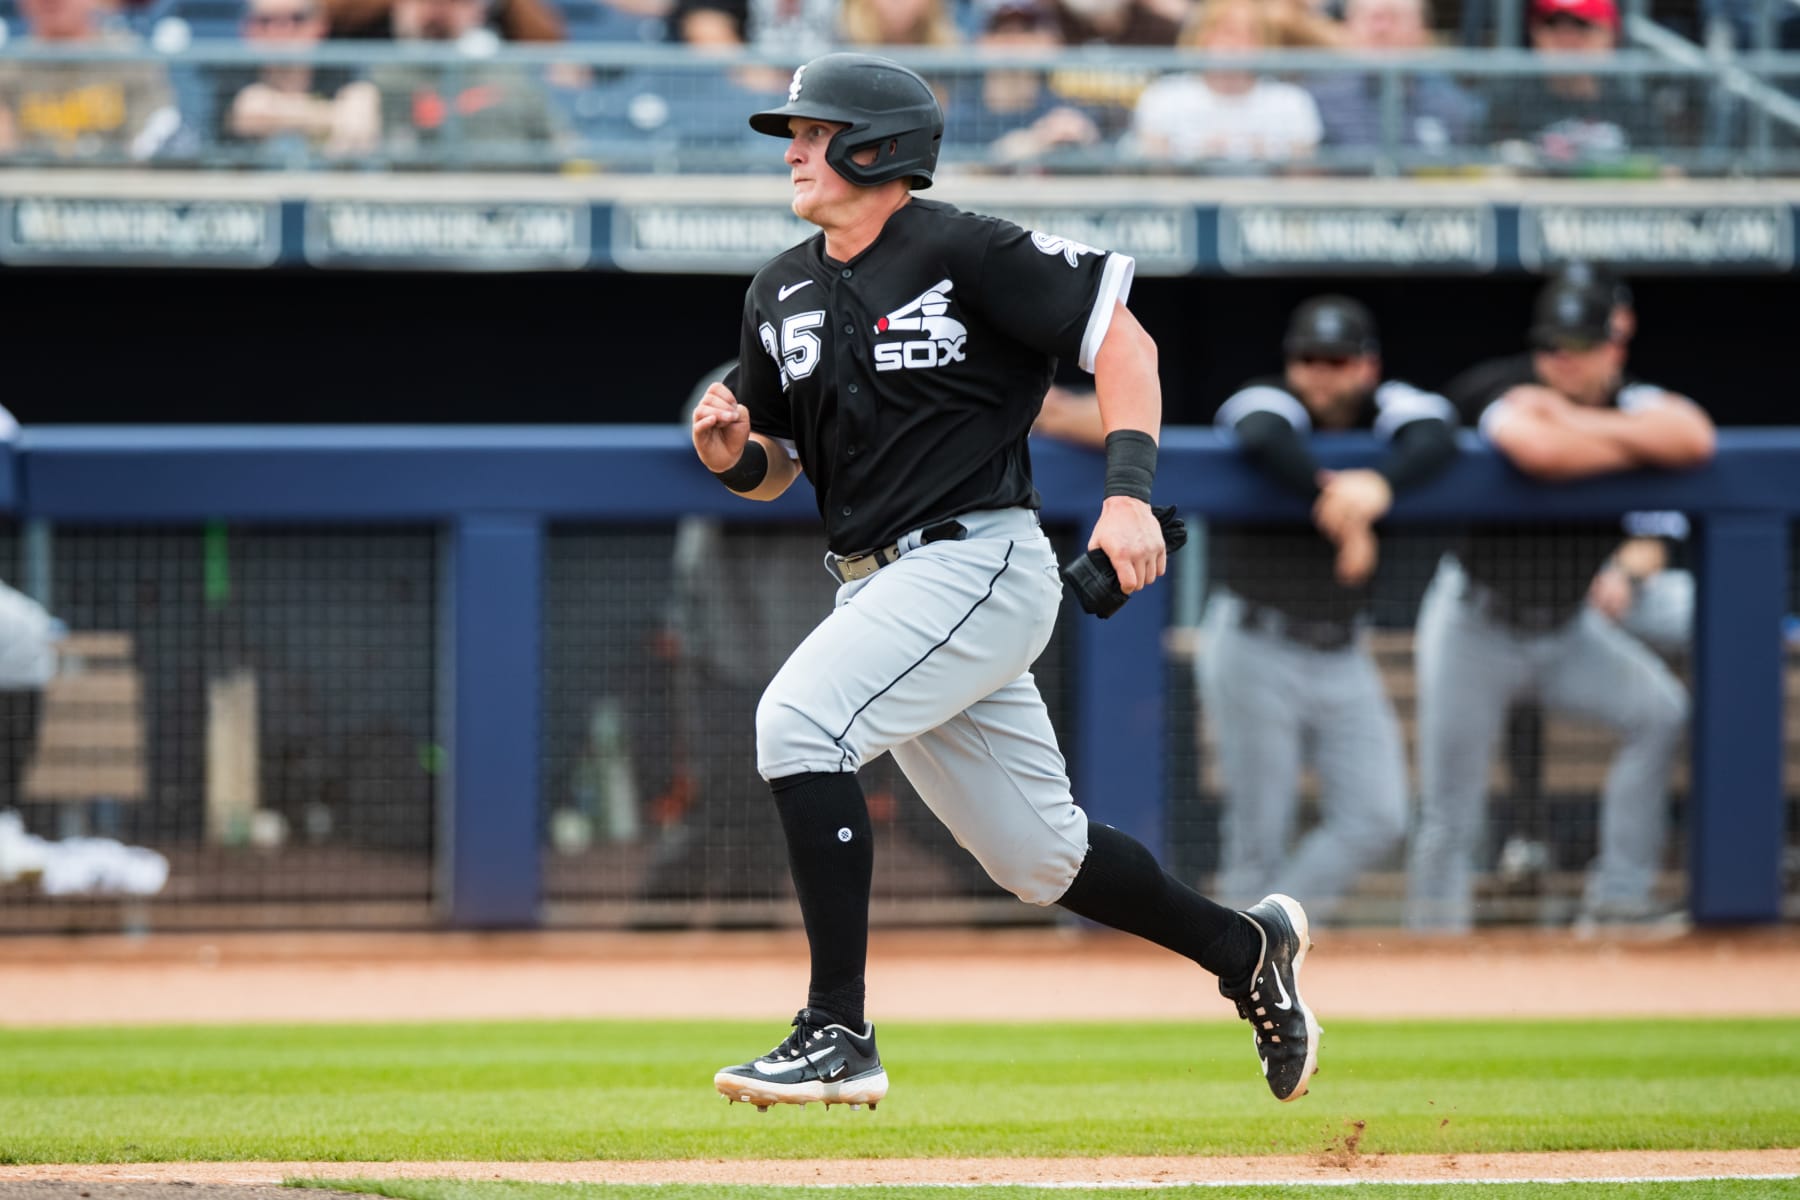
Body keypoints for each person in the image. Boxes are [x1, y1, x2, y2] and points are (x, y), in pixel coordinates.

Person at [694, 52, 1320, 1112]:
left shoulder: (968, 250)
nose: (794, 147)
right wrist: (731, 457)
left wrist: (1127, 493)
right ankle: (1245, 946)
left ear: (877, 145)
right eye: (791, 131)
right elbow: (781, 470)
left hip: (975, 557)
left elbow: (1125, 342)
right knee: (1040, 859)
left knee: (799, 723)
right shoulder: (780, 289)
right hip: (878, 582)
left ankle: (837, 1029)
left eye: (813, 128)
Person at [1405, 277, 1716, 934]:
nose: (1561, 361)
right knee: (1449, 810)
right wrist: (1631, 441)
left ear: (1616, 344)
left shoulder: (1634, 397)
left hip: (1570, 627)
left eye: (1580, 345)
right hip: (1474, 624)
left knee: (1659, 713)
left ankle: (1617, 905)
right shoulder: (1500, 382)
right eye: (1552, 346)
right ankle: (1431, 945)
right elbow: (1539, 450)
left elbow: (1692, 437)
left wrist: (1580, 423)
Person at [1201, 297, 1458, 919]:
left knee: (1378, 815)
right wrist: (1346, 510)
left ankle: (1264, 934)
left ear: (1366, 366)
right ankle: (1238, 964)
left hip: (1343, 651)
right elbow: (1260, 431)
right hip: (1254, 642)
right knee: (1256, 834)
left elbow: (1437, 430)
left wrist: (1381, 485)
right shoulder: (1266, 397)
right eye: (1309, 358)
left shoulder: (1389, 406)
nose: (1321, 372)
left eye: (1338, 360)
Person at [365, 0, 564, 161]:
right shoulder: (377, 78)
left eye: (453, 2)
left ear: (479, 11)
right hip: (411, 202)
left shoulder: (510, 74)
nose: (436, 11)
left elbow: (563, 147)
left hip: (502, 198)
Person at [1130, 0, 1324, 164]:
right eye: (1225, 31)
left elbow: (1304, 180)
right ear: (1202, 36)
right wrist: (1198, 158)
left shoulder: (1291, 101)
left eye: (1249, 34)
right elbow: (1156, 177)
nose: (1234, 44)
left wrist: (1266, 160)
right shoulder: (1164, 96)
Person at [1485, 0, 1667, 169]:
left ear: (1610, 35)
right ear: (1535, 33)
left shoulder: (1636, 113)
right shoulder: (1509, 110)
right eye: (1552, 24)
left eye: (1582, 25)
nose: (1566, 38)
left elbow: (1665, 178)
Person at [0, 0, 181, 161]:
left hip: (116, 190)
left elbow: (149, 143)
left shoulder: (131, 59)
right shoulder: (7, 67)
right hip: (30, 191)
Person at [1303, 0, 1485, 158]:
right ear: (1349, 27)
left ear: (1422, 30)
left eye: (1394, 18)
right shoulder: (1315, 101)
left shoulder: (1453, 105)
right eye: (1372, 18)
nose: (1381, 29)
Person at [214, 0, 380, 159]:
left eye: (297, 18)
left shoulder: (345, 74)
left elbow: (359, 132)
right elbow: (250, 112)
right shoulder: (230, 75)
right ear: (248, 28)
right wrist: (334, 116)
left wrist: (278, 114)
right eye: (266, 21)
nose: (281, 30)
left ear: (320, 25)